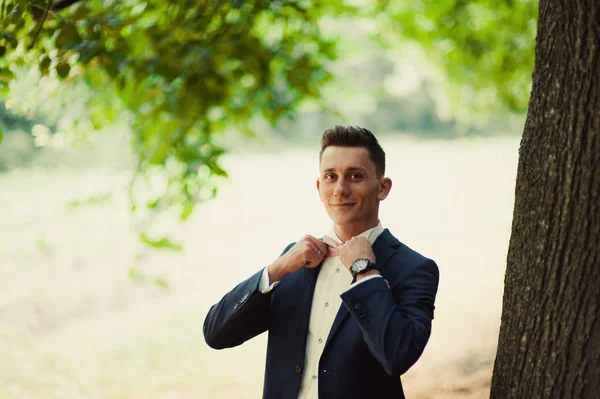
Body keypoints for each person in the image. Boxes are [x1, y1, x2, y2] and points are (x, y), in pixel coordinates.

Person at [203, 125, 439, 399]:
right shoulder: (294, 261)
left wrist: (366, 273)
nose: (340, 189)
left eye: (355, 176)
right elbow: (216, 334)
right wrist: (276, 269)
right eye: (331, 176)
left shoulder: (413, 268)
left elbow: (398, 355)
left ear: (382, 188)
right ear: (319, 187)